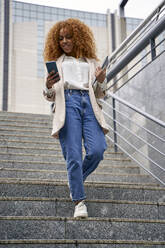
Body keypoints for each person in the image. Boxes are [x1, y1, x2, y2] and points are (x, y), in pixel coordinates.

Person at [43, 18, 109, 218]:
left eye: (68, 37)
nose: (64, 41)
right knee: (73, 155)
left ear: (78, 38)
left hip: (88, 105)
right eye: (61, 38)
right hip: (68, 103)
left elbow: (99, 93)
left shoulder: (91, 62)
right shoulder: (57, 63)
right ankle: (79, 203)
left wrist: (100, 81)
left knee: (98, 149)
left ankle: (75, 180)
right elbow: (49, 95)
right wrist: (47, 85)